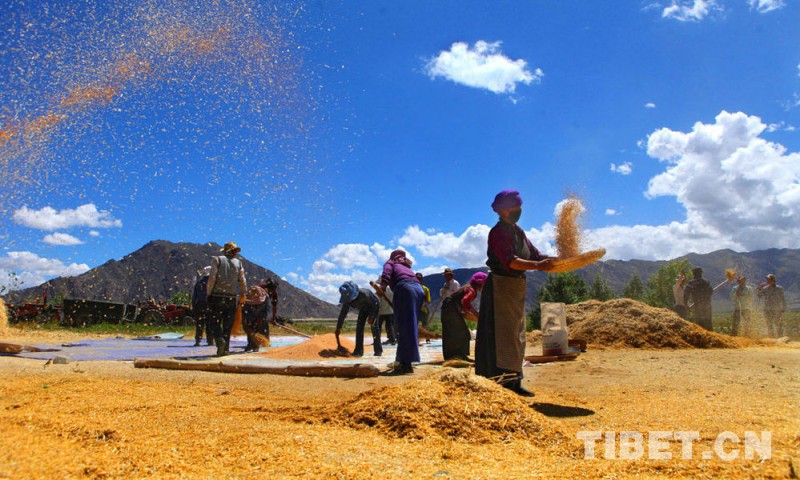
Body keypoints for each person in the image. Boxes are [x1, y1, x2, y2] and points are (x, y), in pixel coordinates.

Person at [475, 190, 555, 396]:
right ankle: (497, 383)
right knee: (501, 335)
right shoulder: (498, 232)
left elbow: (536, 255)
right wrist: (538, 265)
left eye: (520, 207)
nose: (519, 211)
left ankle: (514, 381)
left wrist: (556, 261)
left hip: (515, 287)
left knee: (516, 334)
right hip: (500, 288)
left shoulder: (518, 232)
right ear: (503, 210)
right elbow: (511, 261)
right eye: (515, 207)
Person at [380, 249, 424, 374]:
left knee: (403, 326)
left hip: (405, 289)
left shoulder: (391, 263)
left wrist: (383, 285)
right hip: (418, 290)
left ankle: (406, 363)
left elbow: (387, 272)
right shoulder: (407, 267)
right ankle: (402, 360)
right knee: (411, 326)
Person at [206, 242, 247, 356]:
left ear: (225, 251)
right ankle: (225, 349)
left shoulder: (217, 260)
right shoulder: (238, 263)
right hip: (231, 298)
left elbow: (212, 278)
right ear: (234, 252)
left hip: (217, 297)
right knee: (228, 325)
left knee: (213, 322)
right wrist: (243, 293)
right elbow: (243, 281)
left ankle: (219, 341)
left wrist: (208, 293)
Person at [441, 271, 487, 361]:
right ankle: (459, 356)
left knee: (449, 333)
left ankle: (451, 356)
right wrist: (475, 314)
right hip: (450, 308)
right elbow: (465, 301)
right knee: (463, 332)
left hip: (447, 307)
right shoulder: (472, 290)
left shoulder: (468, 287)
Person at [336, 281, 381, 357]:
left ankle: (378, 351)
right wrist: (338, 328)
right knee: (359, 328)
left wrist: (372, 316)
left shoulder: (365, 294)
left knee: (374, 327)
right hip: (363, 308)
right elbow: (342, 314)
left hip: (374, 306)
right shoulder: (347, 301)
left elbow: (375, 303)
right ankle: (358, 352)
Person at [683, 267, 713, 331]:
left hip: (698, 305)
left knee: (700, 323)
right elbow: (711, 292)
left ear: (693, 273)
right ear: (701, 273)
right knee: (708, 321)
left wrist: (686, 305)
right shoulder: (706, 282)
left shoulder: (691, 283)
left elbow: (685, 295)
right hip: (707, 305)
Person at [242, 282, 269, 352]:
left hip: (261, 311)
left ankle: (256, 345)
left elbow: (264, 314)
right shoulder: (246, 300)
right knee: (249, 324)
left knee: (258, 325)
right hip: (249, 311)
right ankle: (250, 343)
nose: (255, 305)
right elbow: (244, 315)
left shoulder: (265, 298)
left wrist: (260, 321)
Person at [191, 266, 214, 347]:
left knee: (199, 324)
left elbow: (194, 297)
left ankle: (198, 340)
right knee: (209, 324)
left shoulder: (199, 283)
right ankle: (210, 340)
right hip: (210, 305)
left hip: (199, 306)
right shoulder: (213, 284)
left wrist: (193, 307)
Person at [376, 280, 396, 345]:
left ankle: (377, 340)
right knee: (390, 326)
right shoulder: (391, 289)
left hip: (381, 311)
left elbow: (377, 298)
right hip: (390, 311)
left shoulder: (379, 289)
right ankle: (392, 339)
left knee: (378, 326)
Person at [415, 272, 432, 343]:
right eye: (416, 278)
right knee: (415, 325)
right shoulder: (412, 289)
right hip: (415, 310)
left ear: (421, 279)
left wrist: (421, 305)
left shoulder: (425, 289)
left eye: (419, 278)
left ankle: (427, 338)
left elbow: (428, 300)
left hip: (424, 310)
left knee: (425, 325)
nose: (418, 280)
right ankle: (416, 339)